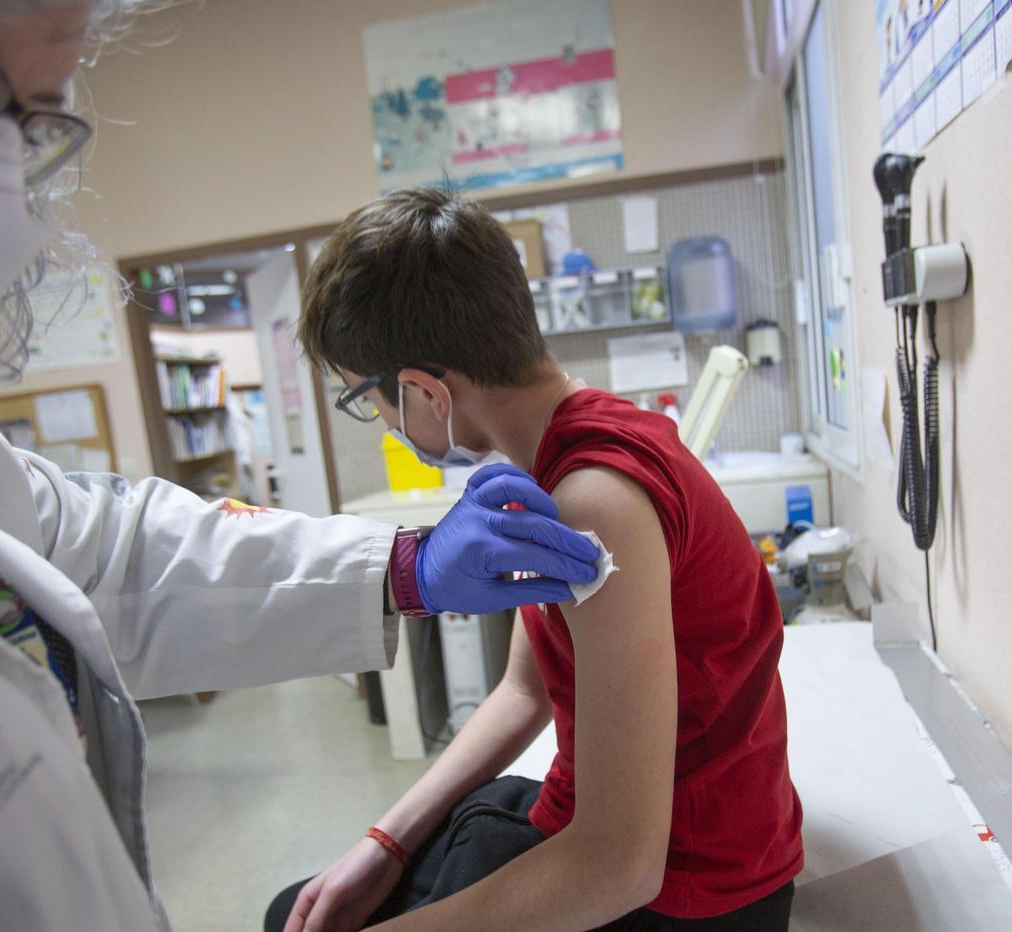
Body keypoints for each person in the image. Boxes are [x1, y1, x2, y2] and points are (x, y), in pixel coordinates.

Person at [0, 4, 602, 929]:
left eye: (31, 122)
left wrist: (402, 569)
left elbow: (98, 554)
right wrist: (386, 843)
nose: (3, 193)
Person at [266, 187, 804, 931]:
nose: (386, 424)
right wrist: (385, 842)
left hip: (688, 889)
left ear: (423, 390)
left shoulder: (593, 499)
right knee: (299, 906)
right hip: (612, 831)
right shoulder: (561, 455)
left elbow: (618, 865)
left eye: (373, 401)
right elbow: (524, 691)